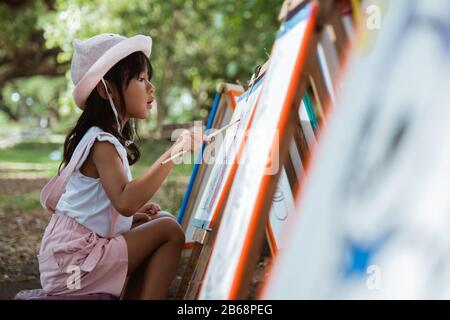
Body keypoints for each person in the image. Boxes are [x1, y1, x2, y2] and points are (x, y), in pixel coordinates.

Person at [38, 33, 209, 300]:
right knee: (169, 231)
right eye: (141, 80)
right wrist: (175, 152)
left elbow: (105, 204)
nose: (151, 87)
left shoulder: (103, 138)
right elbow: (124, 201)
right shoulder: (102, 142)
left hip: (72, 256)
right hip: (71, 269)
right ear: (106, 90)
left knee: (161, 218)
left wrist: (133, 216)